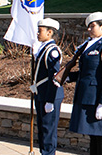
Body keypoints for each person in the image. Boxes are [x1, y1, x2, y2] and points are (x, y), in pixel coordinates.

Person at [66, 12, 102, 155]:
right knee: (94, 136)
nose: (89, 30)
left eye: (92, 26)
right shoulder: (90, 45)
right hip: (87, 97)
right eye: (88, 27)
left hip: (98, 99)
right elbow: (87, 73)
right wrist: (67, 77)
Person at [32, 18, 64, 155]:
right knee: (42, 129)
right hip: (41, 94)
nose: (37, 33)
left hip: (49, 96)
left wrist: (50, 100)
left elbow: (54, 78)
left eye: (40, 31)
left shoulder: (52, 51)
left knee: (48, 130)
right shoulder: (43, 49)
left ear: (50, 32)